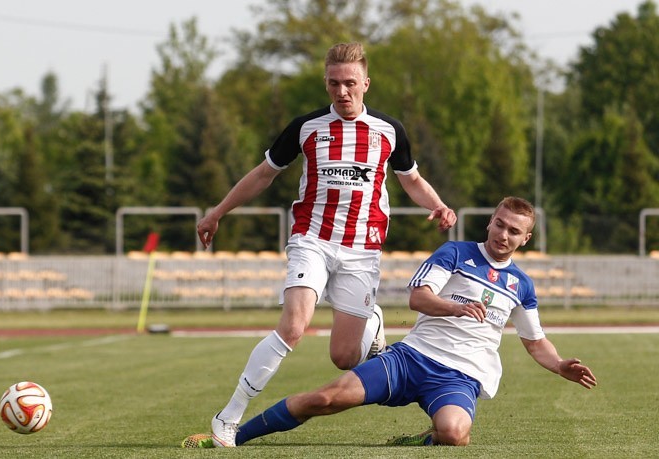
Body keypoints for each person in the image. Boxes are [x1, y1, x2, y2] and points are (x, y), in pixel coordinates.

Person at [194, 42, 457, 448]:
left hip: (362, 250)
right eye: (334, 83)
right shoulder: (306, 127)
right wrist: (217, 212)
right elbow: (264, 174)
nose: (342, 92)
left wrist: (438, 205)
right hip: (311, 239)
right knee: (294, 327)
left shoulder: (389, 130)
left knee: (344, 358)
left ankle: (372, 323)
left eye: (350, 83)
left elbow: (411, 179)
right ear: (326, 83)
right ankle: (228, 416)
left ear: (366, 83)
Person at [183, 196, 597, 448]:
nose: (504, 235)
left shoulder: (521, 285)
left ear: (526, 239)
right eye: (500, 224)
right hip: (412, 358)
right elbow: (418, 298)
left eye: (515, 231)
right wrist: (454, 308)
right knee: (323, 399)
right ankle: (233, 437)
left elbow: (534, 341)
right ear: (491, 221)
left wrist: (560, 365)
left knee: (454, 434)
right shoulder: (454, 255)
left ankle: (426, 437)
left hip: (461, 377)